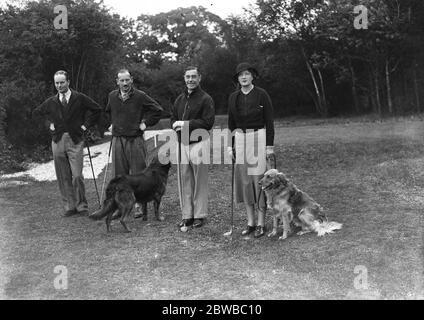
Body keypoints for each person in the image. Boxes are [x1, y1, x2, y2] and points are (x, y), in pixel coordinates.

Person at [33, 70, 102, 216]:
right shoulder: (51, 101)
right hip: (57, 140)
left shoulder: (79, 98)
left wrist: (85, 126)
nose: (59, 85)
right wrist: (49, 124)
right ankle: (69, 207)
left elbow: (97, 109)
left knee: (77, 175)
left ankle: (82, 206)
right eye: (57, 83)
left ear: (68, 82)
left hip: (75, 140)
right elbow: (37, 114)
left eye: (62, 82)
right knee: (63, 175)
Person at [105, 69, 163, 216]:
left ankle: (139, 207)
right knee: (119, 175)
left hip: (135, 140)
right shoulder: (112, 96)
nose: (125, 83)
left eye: (127, 80)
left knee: (138, 174)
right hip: (118, 139)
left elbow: (158, 110)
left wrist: (145, 124)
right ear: (117, 82)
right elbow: (108, 112)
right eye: (121, 80)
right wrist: (112, 124)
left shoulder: (140, 96)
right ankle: (120, 205)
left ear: (131, 80)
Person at [227, 62, 275, 238]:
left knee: (258, 180)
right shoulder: (233, 97)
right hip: (240, 138)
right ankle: (251, 222)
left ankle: (262, 222)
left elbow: (269, 122)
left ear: (252, 76)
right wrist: (229, 145)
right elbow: (231, 123)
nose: (244, 77)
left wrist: (269, 146)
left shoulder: (262, 95)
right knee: (245, 181)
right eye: (241, 75)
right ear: (238, 79)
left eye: (247, 74)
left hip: (258, 137)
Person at [171, 66, 215, 230]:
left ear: (199, 78)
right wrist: (175, 126)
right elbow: (173, 118)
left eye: (193, 77)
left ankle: (200, 215)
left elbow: (208, 122)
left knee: (199, 180)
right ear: (184, 78)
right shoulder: (180, 99)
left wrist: (185, 124)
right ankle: (187, 215)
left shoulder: (206, 99)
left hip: (199, 142)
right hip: (182, 143)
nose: (190, 80)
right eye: (188, 77)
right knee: (185, 180)